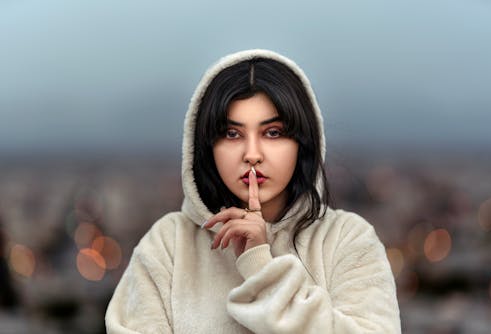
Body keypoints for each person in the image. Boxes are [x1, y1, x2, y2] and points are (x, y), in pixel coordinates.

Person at [105, 49, 401, 333]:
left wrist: (261, 267)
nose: (252, 154)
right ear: (207, 147)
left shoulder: (347, 240)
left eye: (273, 133)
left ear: (303, 143)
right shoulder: (167, 246)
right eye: (232, 134)